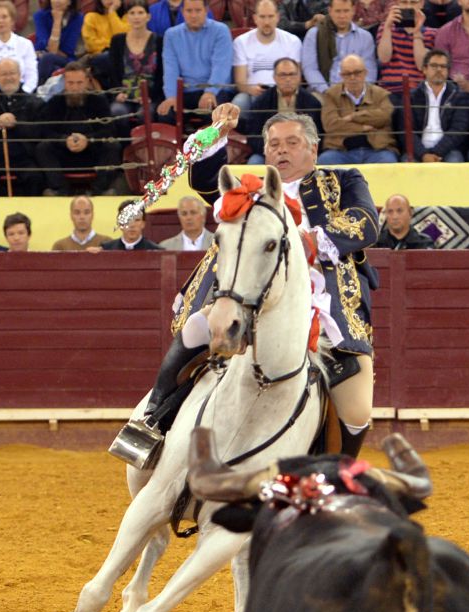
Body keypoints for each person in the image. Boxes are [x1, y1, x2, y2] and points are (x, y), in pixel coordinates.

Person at [131, 103, 380, 458]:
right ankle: (151, 422)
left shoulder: (343, 181)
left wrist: (308, 243)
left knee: (357, 410)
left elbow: (366, 222)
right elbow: (206, 184)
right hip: (251, 298)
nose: (281, 149)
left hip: (325, 304)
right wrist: (217, 135)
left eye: (292, 143)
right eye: (274, 144)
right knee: (195, 333)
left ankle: (336, 471)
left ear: (313, 148)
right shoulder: (251, 192)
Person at [35, 62, 123, 195]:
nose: (75, 88)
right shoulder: (55, 103)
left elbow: (109, 130)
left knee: (113, 146)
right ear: (64, 82)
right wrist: (64, 140)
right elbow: (46, 131)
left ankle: (98, 191)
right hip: (64, 153)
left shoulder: (99, 101)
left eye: (79, 83)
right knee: (43, 148)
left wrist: (88, 140)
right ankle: (61, 191)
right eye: (70, 83)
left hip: (92, 152)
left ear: (87, 82)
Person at [0, 58, 44, 196]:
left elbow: (39, 133)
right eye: (3, 74)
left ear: (19, 75)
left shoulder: (35, 103)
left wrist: (16, 124)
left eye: (12, 73)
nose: (8, 78)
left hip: (25, 157)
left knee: (35, 176)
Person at [157, 0, 233, 123]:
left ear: (206, 11)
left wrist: (210, 92)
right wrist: (171, 97)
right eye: (189, 11)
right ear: (182, 12)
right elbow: (170, 69)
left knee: (213, 113)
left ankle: (210, 142)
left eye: (198, 10)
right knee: (166, 114)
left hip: (215, 89)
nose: (193, 15)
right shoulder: (171, 35)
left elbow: (221, 67)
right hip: (185, 90)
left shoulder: (221, 31)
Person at [318, 53, 399, 162]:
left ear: (365, 73)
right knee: (326, 160)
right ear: (341, 76)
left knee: (388, 160)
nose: (352, 78)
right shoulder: (331, 95)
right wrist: (363, 128)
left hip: (377, 150)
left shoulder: (381, 94)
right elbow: (331, 125)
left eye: (357, 73)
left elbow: (384, 117)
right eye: (347, 74)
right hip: (340, 151)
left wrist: (353, 117)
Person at [393, 48, 469, 161]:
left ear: (448, 71)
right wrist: (423, 154)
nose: (439, 69)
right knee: (407, 163)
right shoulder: (411, 97)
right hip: (418, 151)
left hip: (448, 150)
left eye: (443, 66)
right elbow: (405, 131)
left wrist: (436, 153)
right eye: (434, 66)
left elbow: (458, 130)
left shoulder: (459, 96)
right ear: (424, 69)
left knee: (455, 161)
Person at [243, 57, 322, 161]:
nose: (288, 79)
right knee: (255, 161)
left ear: (299, 77)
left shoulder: (311, 102)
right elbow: (253, 135)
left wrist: (298, 150)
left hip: (301, 152)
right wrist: (272, 149)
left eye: (292, 74)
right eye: (283, 75)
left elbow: (318, 134)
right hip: (270, 151)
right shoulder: (262, 101)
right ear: (274, 77)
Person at [232, 0, 302, 111]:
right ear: (255, 18)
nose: (266, 22)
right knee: (239, 102)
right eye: (262, 17)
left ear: (278, 17)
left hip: (283, 92)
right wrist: (250, 89)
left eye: (270, 16)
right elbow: (240, 82)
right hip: (251, 94)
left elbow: (296, 78)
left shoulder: (292, 41)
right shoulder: (241, 42)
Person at [301, 0, 377, 95]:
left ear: (353, 10)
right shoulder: (314, 34)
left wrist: (357, 92)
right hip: (323, 93)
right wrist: (327, 91)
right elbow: (310, 69)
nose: (342, 16)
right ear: (330, 11)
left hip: (357, 93)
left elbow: (369, 71)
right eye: (338, 11)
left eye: (346, 11)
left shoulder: (365, 37)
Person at [109, 0, 163, 120]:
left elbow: (161, 74)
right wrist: (117, 93)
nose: (136, 17)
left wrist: (151, 96)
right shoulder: (117, 40)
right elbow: (113, 72)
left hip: (150, 96)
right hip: (124, 95)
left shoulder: (159, 41)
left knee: (145, 113)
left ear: (148, 16)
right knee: (117, 111)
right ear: (127, 17)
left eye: (140, 12)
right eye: (132, 13)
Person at [0, 1, 38, 97]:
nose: (0, 21)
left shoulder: (26, 44)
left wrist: (23, 94)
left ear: (12, 20)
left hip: (21, 93)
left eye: (4, 17)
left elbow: (32, 76)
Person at [377, 0, 437, 98]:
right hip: (389, 90)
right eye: (404, 2)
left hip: (417, 92)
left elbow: (421, 65)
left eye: (413, 3)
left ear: (421, 4)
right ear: (397, 4)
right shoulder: (385, 28)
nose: (408, 7)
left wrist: (417, 31)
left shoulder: (431, 33)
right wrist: (387, 27)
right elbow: (384, 58)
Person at [34, 0, 84, 84]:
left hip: (66, 60)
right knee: (51, 66)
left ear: (69, 2)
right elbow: (42, 43)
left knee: (48, 58)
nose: (57, 1)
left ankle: (38, 90)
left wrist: (57, 21)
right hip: (41, 58)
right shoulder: (40, 16)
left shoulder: (77, 18)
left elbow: (67, 50)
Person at [82, 0, 128, 86]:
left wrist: (112, 12)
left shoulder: (127, 17)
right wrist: (113, 45)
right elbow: (91, 44)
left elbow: (122, 38)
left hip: (122, 56)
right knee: (106, 58)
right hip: (98, 56)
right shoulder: (91, 17)